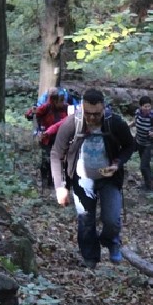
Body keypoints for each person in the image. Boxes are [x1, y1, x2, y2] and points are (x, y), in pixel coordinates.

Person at [49, 88, 136, 268]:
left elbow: (129, 146)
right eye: (88, 113)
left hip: (109, 178)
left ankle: (111, 241)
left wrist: (117, 163)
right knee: (86, 219)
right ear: (82, 107)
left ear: (103, 108)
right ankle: (90, 258)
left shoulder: (114, 123)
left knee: (112, 219)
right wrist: (60, 186)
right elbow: (56, 154)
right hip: (82, 179)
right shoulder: (72, 123)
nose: (92, 118)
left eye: (96, 114)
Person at [25, 88, 71, 187]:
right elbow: (31, 114)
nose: (63, 103)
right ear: (54, 101)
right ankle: (45, 180)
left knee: (59, 159)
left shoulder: (66, 108)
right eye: (61, 101)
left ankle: (54, 180)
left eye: (63, 100)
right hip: (46, 138)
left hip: (60, 138)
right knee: (46, 159)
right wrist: (31, 112)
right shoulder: (46, 108)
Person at [131, 96, 153, 191]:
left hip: (150, 145)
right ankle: (147, 184)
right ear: (140, 106)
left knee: (143, 166)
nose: (147, 108)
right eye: (145, 106)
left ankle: (149, 188)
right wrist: (128, 125)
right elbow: (135, 122)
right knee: (145, 165)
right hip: (139, 142)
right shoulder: (138, 113)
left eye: (149, 106)